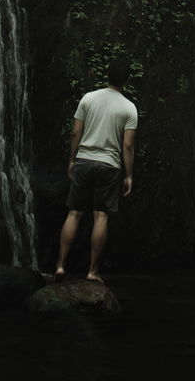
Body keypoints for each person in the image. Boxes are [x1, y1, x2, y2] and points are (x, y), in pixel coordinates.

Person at [55, 54, 137, 282]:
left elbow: (75, 132)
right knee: (100, 216)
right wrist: (128, 175)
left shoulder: (88, 99)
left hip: (84, 160)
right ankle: (92, 271)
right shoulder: (129, 108)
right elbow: (128, 145)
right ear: (126, 80)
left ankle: (60, 266)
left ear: (107, 75)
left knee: (74, 213)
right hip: (109, 166)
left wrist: (72, 160)